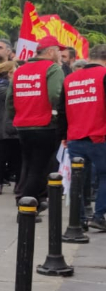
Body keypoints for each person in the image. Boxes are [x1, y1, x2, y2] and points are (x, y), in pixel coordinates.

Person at [8, 35, 64, 204]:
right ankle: (26, 207)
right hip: (45, 125)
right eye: (59, 51)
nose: (60, 54)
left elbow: (9, 100)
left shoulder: (20, 70)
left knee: (29, 165)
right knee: (39, 168)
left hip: (23, 126)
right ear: (51, 51)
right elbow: (56, 94)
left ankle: (35, 201)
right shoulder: (53, 68)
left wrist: (17, 117)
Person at [59, 43, 106, 231]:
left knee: (77, 178)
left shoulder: (70, 78)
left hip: (74, 136)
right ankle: (99, 215)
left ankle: (78, 219)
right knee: (104, 176)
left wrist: (63, 135)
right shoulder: (103, 75)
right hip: (99, 136)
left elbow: (62, 110)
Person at [0, 59, 21, 195]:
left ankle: (18, 184)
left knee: (18, 158)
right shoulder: (1, 87)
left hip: (14, 125)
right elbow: (12, 97)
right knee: (2, 157)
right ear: (10, 73)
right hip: (4, 127)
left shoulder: (3, 85)